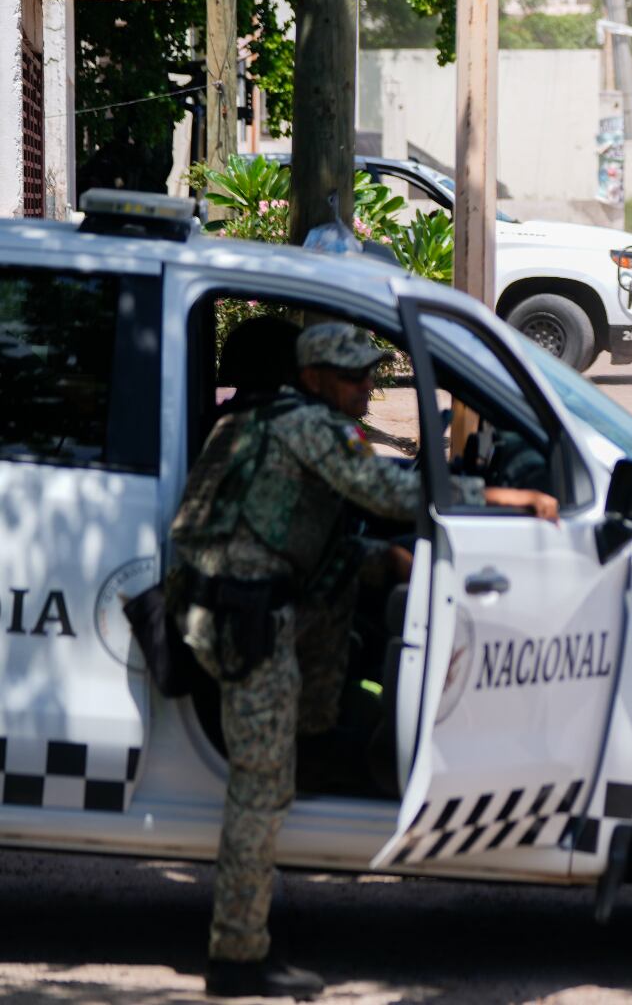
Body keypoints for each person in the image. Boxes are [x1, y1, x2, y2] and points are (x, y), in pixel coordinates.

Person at [169, 323, 557, 1000]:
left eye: (369, 375)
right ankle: (237, 955)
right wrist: (505, 498)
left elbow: (298, 526)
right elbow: (390, 494)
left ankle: (315, 747)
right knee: (261, 792)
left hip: (234, 602)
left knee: (355, 604)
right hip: (246, 616)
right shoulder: (312, 426)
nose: (366, 389)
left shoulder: (268, 418)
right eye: (352, 378)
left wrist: (382, 562)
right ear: (314, 377)